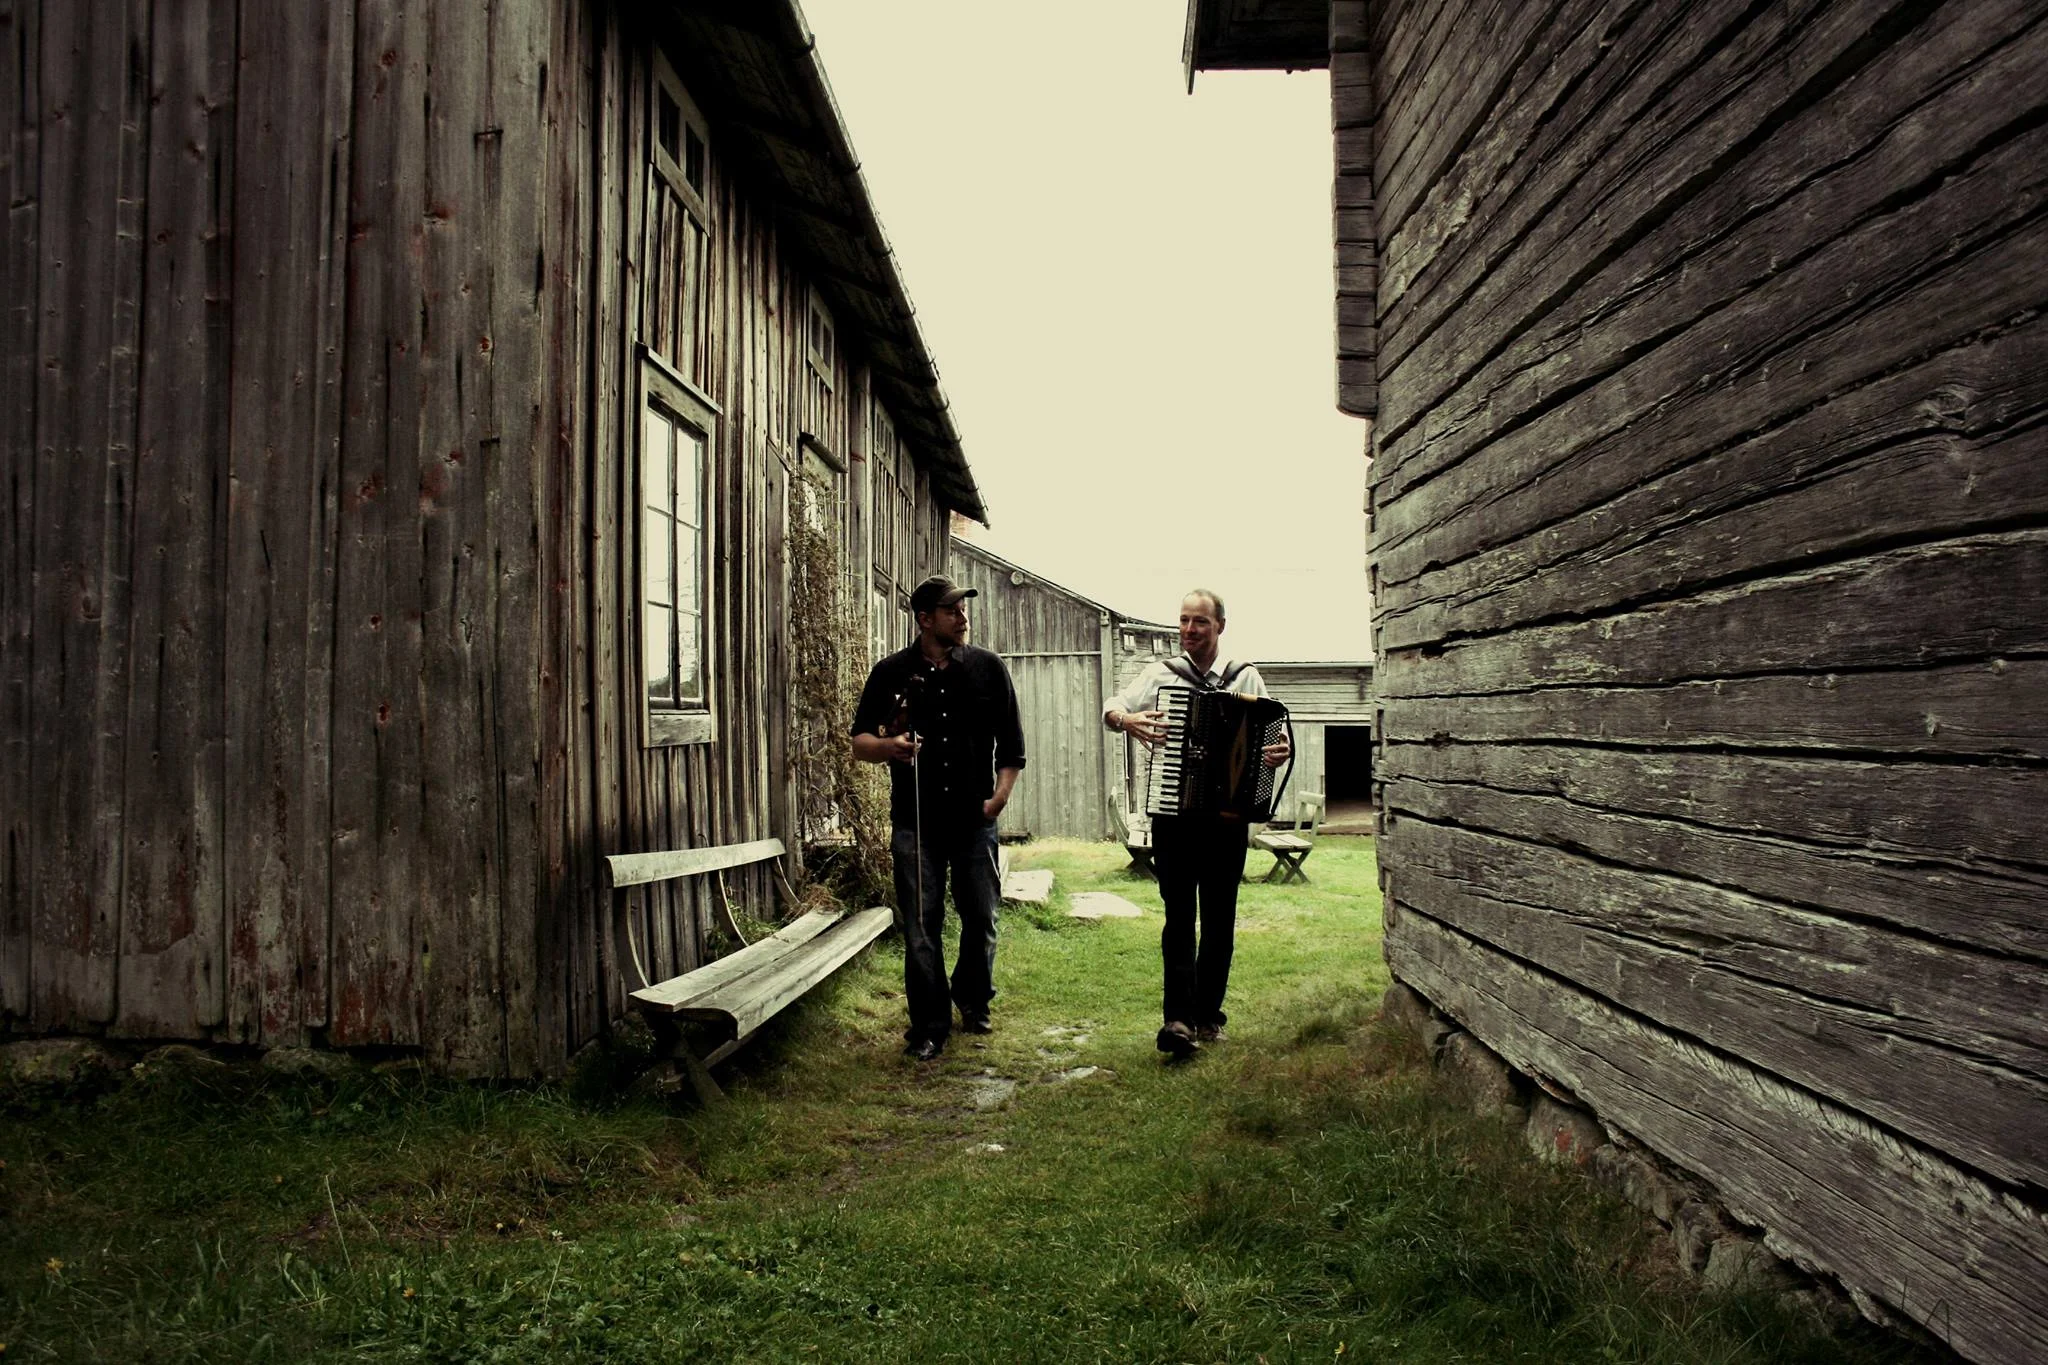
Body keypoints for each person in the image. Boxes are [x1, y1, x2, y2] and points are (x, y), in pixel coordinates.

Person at [1104, 589, 1289, 1060]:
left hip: (1227, 819)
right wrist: (1128, 720)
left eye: (1199, 622)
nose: (1189, 630)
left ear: (1220, 627)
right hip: (1174, 816)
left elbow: (1272, 734)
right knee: (1179, 917)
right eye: (1184, 621)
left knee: (1220, 919)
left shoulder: (1244, 677)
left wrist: (1276, 752)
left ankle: (1209, 1015)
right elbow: (1111, 706)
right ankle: (1178, 1020)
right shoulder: (1161, 674)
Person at [851, 574, 1025, 1061]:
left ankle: (973, 1000)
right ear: (925, 619)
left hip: (975, 819)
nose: (962, 617)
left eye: (963, 609)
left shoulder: (989, 669)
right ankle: (929, 1026)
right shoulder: (891, 673)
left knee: (981, 917)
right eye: (952, 611)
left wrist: (1000, 798)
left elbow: (1012, 747)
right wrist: (890, 747)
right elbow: (859, 742)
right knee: (921, 928)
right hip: (916, 822)